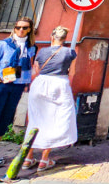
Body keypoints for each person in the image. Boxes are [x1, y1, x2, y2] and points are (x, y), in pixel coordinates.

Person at [0, 18, 36, 168]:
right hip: (0, 86)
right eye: (18, 27)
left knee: (5, 119)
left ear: (30, 29)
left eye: (24, 27)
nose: (21, 30)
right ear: (14, 29)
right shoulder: (4, 44)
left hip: (17, 86)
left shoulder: (31, 48)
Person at [23, 26, 78, 172]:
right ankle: (44, 159)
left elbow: (37, 70)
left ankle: (28, 158)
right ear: (65, 39)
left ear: (52, 37)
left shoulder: (42, 51)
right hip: (59, 83)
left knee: (34, 119)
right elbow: (72, 72)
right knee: (55, 121)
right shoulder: (70, 52)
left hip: (40, 83)